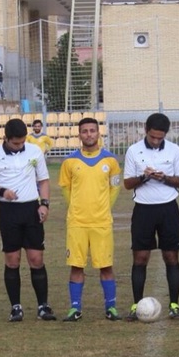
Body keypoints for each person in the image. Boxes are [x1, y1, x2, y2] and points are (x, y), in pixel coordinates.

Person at [0, 118, 56, 322]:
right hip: (8, 212)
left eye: (22, 141)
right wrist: (2, 191)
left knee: (36, 259)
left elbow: (43, 180)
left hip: (31, 209)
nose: (20, 145)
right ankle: (15, 307)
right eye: (16, 143)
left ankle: (43, 306)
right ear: (6, 139)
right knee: (12, 261)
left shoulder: (34, 152)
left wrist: (44, 204)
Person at [123, 113, 179, 321]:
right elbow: (127, 183)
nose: (156, 140)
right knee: (140, 258)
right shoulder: (133, 150)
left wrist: (164, 177)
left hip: (168, 208)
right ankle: (136, 305)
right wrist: (144, 176)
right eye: (153, 137)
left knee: (171, 257)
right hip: (143, 209)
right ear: (146, 130)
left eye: (160, 137)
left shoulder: (174, 150)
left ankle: (175, 305)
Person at [58, 117, 123, 322]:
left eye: (92, 131)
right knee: (76, 266)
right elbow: (65, 189)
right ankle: (75, 308)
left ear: (98, 133)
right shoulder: (69, 161)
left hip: (101, 222)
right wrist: (76, 208)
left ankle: (110, 307)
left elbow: (115, 187)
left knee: (106, 266)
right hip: (77, 222)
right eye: (84, 131)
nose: (89, 134)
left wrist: (104, 209)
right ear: (79, 135)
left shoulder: (110, 161)